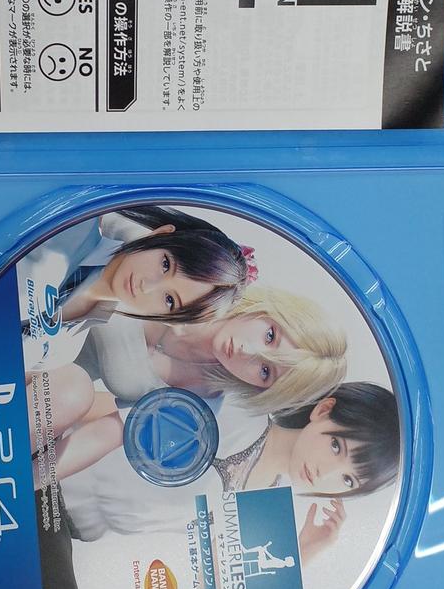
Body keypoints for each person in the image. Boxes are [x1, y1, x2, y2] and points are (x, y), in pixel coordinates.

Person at [58, 382, 400, 569]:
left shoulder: (269, 510)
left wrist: (304, 550)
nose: (327, 473)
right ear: (324, 410)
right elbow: (120, 409)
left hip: (71, 536)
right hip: (56, 464)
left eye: (348, 481)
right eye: (337, 446)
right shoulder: (240, 411)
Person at [30, 286, 347, 475]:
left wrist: (24, 484)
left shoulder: (198, 404)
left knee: (72, 392)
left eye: (265, 371)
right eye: (270, 336)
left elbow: (101, 437)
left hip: (45, 388)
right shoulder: (200, 277)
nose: (247, 352)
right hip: (36, 310)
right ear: (272, 310)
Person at [21, 204, 254, 373]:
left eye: (170, 300)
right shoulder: (71, 222)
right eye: (165, 265)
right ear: (162, 234)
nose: (147, 286)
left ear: (169, 319)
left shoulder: (65, 350)